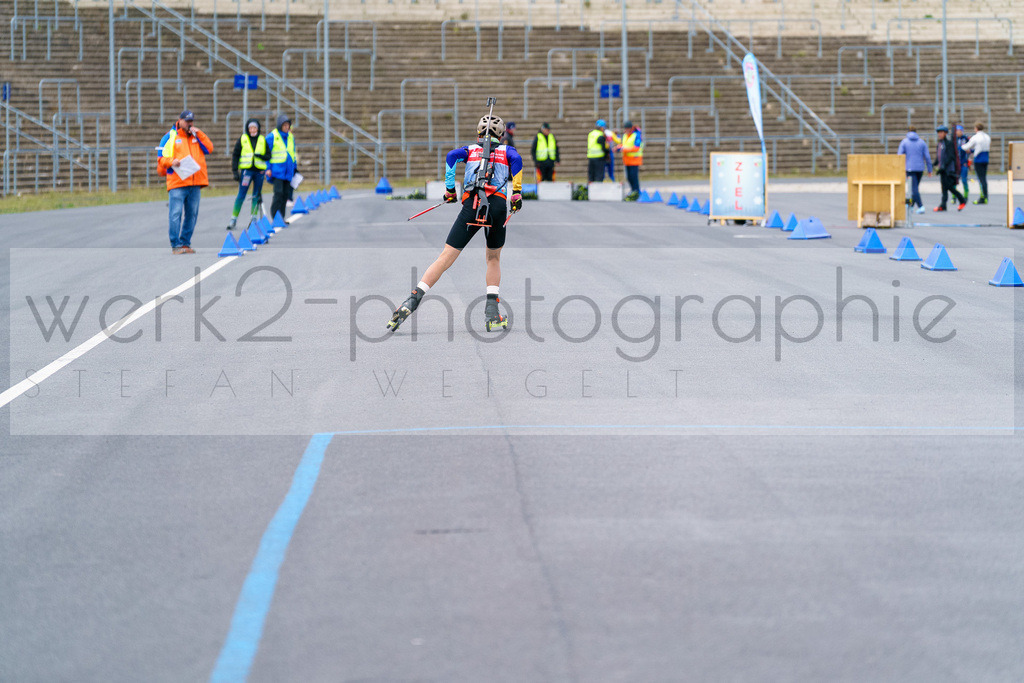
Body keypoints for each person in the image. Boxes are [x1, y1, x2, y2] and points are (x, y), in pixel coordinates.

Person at [387, 112, 523, 334]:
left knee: (445, 257)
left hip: (472, 204)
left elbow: (451, 156)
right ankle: (492, 313)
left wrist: (450, 190)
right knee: (493, 258)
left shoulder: (470, 149)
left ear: (478, 132)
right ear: (501, 135)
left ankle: (411, 301)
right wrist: (516, 194)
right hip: (497, 207)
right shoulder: (508, 151)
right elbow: (517, 161)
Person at [157, 110, 213, 254]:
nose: (190, 124)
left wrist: (199, 133)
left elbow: (209, 148)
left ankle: (185, 243)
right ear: (180, 120)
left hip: (195, 182)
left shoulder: (196, 136)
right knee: (175, 214)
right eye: (187, 121)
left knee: (192, 214)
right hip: (178, 182)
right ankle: (175, 245)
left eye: (191, 121)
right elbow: (160, 159)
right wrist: (171, 161)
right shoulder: (169, 137)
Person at [228, 118, 269, 230]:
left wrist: (261, 156)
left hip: (259, 172)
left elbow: (268, 155)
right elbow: (235, 155)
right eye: (250, 128)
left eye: (254, 127)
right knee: (241, 194)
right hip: (247, 171)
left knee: (256, 195)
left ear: (258, 128)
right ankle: (233, 219)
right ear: (248, 128)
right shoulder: (243, 139)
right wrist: (235, 171)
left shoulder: (262, 139)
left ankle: (254, 219)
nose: (252, 130)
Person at [265, 113, 297, 221]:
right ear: (280, 125)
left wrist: (295, 167)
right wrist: (268, 168)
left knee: (285, 194)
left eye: (288, 125)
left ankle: (281, 218)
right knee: (278, 193)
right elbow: (266, 153)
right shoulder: (272, 136)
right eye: (284, 125)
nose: (287, 127)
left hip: (288, 170)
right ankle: (275, 216)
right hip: (277, 170)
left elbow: (292, 153)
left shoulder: (290, 137)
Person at [897, 126, 931, 214]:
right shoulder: (922, 142)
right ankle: (910, 206)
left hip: (910, 168)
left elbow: (899, 155)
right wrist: (929, 169)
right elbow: (927, 157)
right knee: (914, 188)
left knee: (913, 188)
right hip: (920, 168)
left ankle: (920, 206)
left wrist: (899, 168)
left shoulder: (904, 142)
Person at [933, 125, 965, 212]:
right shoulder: (939, 144)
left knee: (949, 187)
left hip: (948, 170)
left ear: (945, 133)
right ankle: (943, 205)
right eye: (938, 132)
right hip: (942, 170)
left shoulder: (949, 143)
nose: (939, 134)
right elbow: (938, 157)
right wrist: (933, 164)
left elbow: (951, 157)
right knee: (944, 188)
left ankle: (962, 200)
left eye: (941, 132)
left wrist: (944, 166)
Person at [961, 120, 990, 204]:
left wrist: (961, 147)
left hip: (979, 159)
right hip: (986, 158)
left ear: (976, 128)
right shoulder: (987, 137)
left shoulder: (976, 137)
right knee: (984, 178)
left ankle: (983, 197)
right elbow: (980, 148)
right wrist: (972, 150)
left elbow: (966, 147)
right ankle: (985, 196)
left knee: (981, 179)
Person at [618, 120, 644, 200]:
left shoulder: (636, 135)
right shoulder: (625, 135)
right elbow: (624, 145)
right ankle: (633, 190)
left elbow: (636, 148)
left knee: (633, 177)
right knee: (629, 177)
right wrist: (618, 147)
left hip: (634, 160)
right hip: (627, 160)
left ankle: (636, 192)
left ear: (631, 128)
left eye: (627, 128)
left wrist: (624, 149)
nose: (626, 130)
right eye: (625, 129)